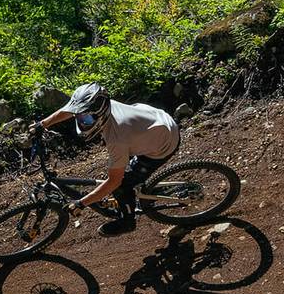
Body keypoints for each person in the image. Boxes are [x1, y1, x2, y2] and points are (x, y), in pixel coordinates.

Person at [33, 82, 180, 237]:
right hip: (152, 123)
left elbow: (114, 182)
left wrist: (81, 203)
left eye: (87, 119)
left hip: (164, 142)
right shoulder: (102, 105)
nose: (83, 122)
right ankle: (141, 186)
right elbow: (71, 110)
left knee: (121, 186)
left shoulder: (117, 139)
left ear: (100, 114)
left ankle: (127, 221)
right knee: (122, 170)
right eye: (80, 117)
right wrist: (42, 124)